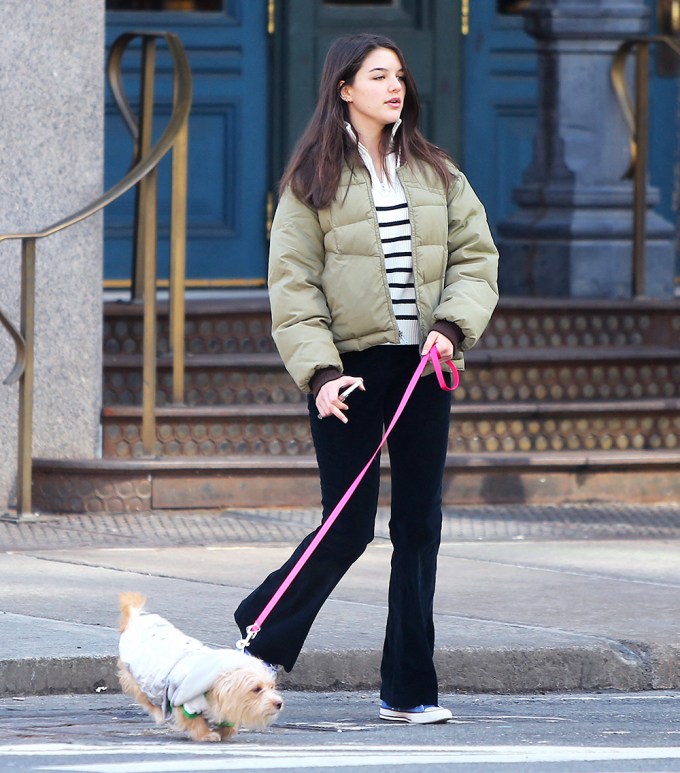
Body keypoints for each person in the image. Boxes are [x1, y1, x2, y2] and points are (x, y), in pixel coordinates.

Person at [235, 32, 498, 724]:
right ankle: (260, 628)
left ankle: (408, 689)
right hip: (348, 370)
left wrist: (451, 327)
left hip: (427, 364)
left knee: (419, 525)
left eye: (401, 76)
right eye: (378, 75)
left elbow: (476, 257)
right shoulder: (311, 181)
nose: (395, 86)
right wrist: (319, 372)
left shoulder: (437, 170)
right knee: (348, 523)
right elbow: (291, 288)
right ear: (343, 88)